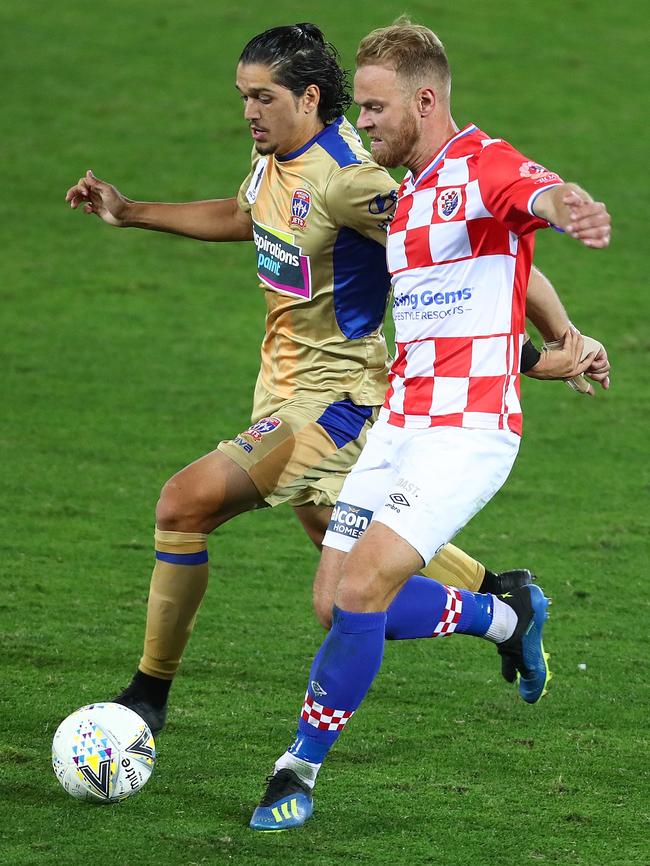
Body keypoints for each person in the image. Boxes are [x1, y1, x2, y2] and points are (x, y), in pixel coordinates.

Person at [65, 24, 610, 737]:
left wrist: (554, 345)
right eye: (243, 97)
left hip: (338, 400)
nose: (248, 112)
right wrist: (131, 211)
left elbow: (476, 252)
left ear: (309, 96)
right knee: (336, 536)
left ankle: (147, 695)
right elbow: (245, 216)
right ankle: (502, 601)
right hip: (284, 389)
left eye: (262, 97)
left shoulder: (357, 183)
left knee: (184, 504)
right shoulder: (273, 162)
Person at [249, 19, 611, 831]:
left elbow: (532, 201)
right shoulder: (407, 200)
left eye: (374, 108)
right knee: (333, 601)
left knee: (366, 587)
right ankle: (507, 615)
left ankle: (296, 770)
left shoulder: (482, 164)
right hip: (400, 424)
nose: (361, 122)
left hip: (468, 433)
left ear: (424, 99)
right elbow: (490, 289)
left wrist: (567, 205)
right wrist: (556, 344)